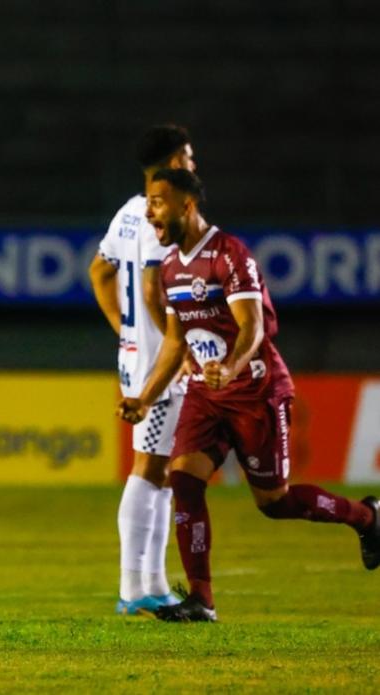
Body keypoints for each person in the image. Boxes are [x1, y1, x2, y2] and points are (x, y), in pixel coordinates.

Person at [119, 168, 380, 622]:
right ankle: (202, 599)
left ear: (186, 205)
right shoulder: (171, 270)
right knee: (184, 479)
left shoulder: (229, 254)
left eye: (157, 201)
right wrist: (144, 398)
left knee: (274, 503)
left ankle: (367, 517)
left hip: (255, 391)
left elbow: (253, 327)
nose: (149, 211)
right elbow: (177, 344)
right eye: (147, 201)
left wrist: (231, 367)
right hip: (206, 394)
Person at [89, 125, 195, 615]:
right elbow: (154, 293)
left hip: (138, 352)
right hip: (158, 362)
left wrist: (121, 327)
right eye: (188, 156)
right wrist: (179, 343)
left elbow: (99, 270)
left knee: (161, 472)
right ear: (173, 160)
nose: (193, 163)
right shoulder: (158, 216)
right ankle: (134, 587)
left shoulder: (129, 211)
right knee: (149, 469)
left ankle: (151, 583)